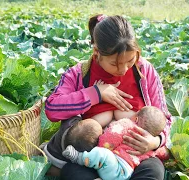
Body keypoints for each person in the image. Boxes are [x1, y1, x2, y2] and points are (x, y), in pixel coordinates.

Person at [44, 14, 172, 180]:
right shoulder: (78, 73)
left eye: (130, 60)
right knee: (73, 173)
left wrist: (154, 141)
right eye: (115, 64)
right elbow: (52, 108)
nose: (124, 69)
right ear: (97, 52)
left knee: (154, 170)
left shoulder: (145, 71)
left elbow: (165, 118)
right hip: (90, 158)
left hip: (133, 157)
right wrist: (96, 93)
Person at [62, 106, 167, 180]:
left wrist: (155, 142)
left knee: (155, 168)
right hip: (90, 145)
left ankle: (79, 157)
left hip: (116, 162)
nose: (122, 73)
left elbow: (110, 139)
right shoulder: (79, 76)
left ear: (136, 117)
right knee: (70, 169)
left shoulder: (126, 124)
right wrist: (96, 93)